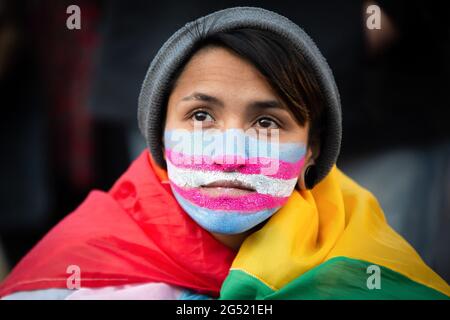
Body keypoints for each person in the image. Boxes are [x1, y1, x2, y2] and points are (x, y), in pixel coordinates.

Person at [0, 6, 449, 300]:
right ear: (159, 134)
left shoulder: (372, 272)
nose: (230, 154)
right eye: (200, 118)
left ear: (313, 151)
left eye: (268, 123)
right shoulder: (77, 280)